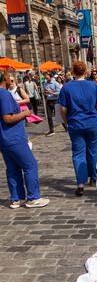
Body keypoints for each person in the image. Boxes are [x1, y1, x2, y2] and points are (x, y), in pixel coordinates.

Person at [58, 61, 97, 197]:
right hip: (92, 124)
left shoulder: (66, 87)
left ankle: (80, 184)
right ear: (85, 71)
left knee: (78, 154)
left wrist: (66, 122)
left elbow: (63, 109)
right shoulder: (93, 86)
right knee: (92, 152)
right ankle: (93, 178)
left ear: (73, 71)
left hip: (75, 124)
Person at [0, 70, 49, 209]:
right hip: (13, 137)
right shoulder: (4, 94)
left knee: (13, 168)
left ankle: (16, 198)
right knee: (30, 165)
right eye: (9, 77)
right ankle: (33, 198)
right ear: (5, 78)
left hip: (4, 138)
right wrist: (25, 113)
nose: (11, 79)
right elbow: (8, 118)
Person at [43, 72, 62, 136]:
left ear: (51, 77)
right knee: (49, 117)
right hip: (48, 101)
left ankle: (66, 127)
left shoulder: (55, 83)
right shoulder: (45, 83)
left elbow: (59, 92)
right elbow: (44, 91)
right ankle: (51, 130)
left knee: (59, 116)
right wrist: (44, 93)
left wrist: (51, 92)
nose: (46, 79)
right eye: (45, 78)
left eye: (47, 78)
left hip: (55, 100)